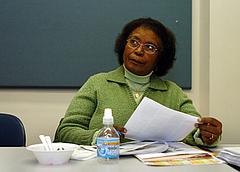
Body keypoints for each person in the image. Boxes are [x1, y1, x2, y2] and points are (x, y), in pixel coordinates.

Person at [54, 18, 222, 147]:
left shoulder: (172, 92)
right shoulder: (98, 83)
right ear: (123, 46)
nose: (139, 50)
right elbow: (66, 131)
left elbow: (195, 130)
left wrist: (207, 134)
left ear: (161, 57)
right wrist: (100, 136)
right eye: (134, 42)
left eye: (149, 47)